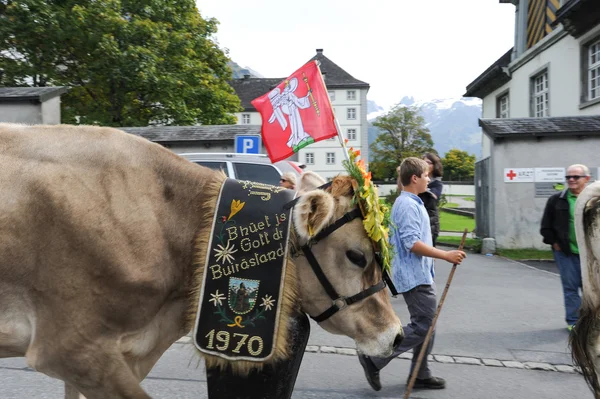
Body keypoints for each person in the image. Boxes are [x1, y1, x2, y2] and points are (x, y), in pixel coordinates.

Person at [358, 157, 466, 392]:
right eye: (426, 175)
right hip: (414, 276)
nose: (429, 178)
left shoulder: (413, 202)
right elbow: (411, 243)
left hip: (420, 274)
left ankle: (421, 373)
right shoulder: (406, 205)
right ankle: (375, 357)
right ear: (414, 178)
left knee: (427, 324)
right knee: (423, 326)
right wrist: (445, 255)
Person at [540, 164, 590, 331]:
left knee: (592, 289)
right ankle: (574, 322)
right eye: (568, 177)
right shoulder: (556, 200)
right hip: (566, 253)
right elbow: (545, 227)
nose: (571, 180)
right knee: (571, 288)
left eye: (575, 177)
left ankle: (592, 322)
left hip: (591, 254)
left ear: (586, 179)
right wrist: (554, 243)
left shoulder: (594, 200)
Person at [419, 153, 444, 246]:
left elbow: (433, 196)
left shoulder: (437, 183)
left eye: (428, 163)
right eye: (423, 162)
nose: (425, 165)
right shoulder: (416, 180)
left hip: (430, 222)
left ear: (434, 166)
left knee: (429, 253)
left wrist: (421, 186)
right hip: (418, 219)